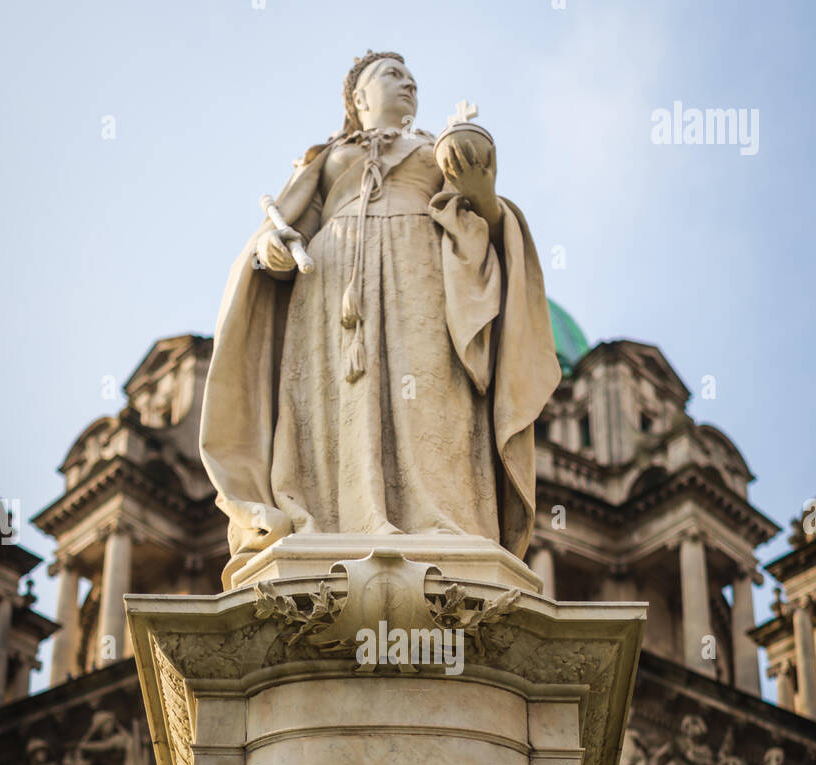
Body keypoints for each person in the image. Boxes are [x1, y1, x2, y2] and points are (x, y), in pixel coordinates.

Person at [200, 50, 561, 577]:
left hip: (424, 269)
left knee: (432, 387)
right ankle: (327, 520)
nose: (409, 83)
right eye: (393, 74)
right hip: (329, 279)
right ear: (359, 97)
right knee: (329, 399)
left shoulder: (434, 145)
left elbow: (481, 215)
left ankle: (445, 523)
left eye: (413, 77)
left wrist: (482, 193)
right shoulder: (323, 158)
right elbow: (283, 232)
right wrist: (269, 251)